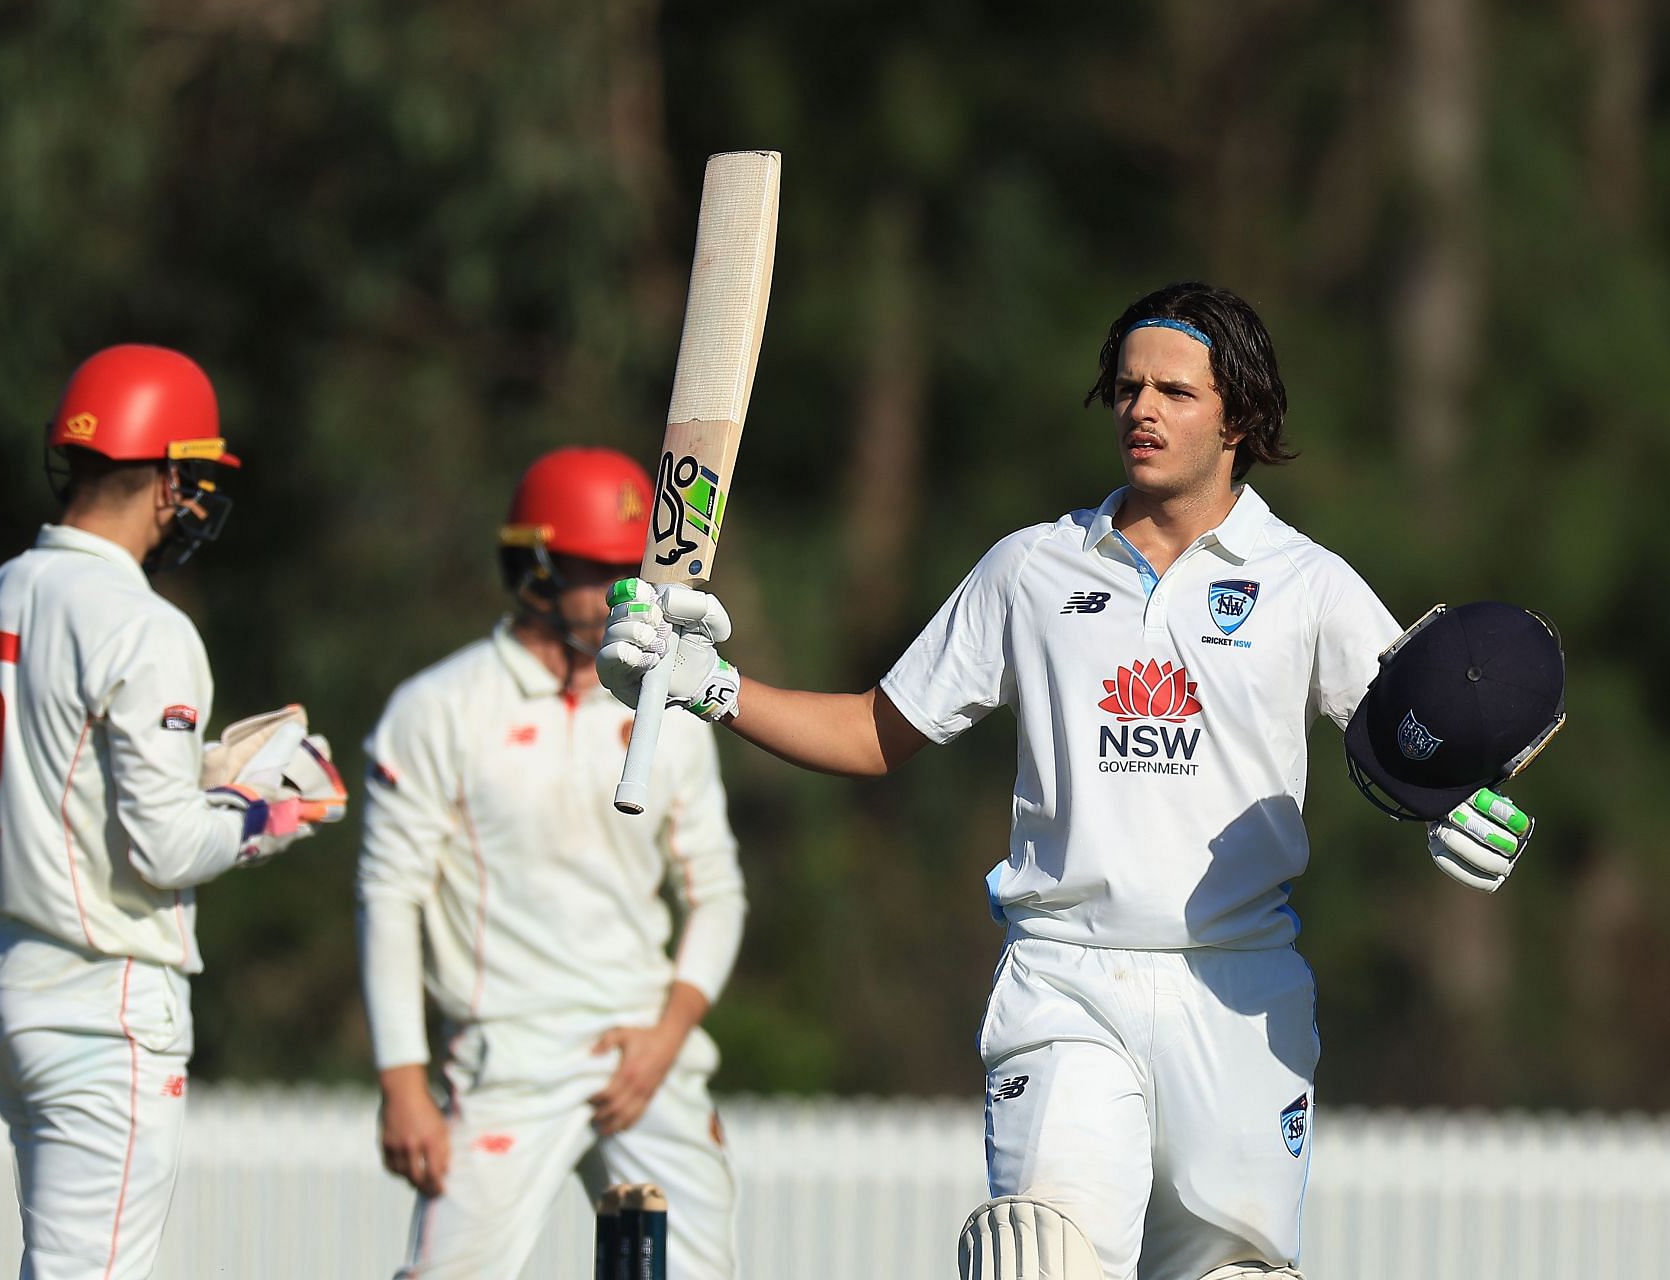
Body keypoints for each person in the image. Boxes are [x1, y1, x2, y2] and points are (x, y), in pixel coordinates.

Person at [597, 283, 1548, 1280]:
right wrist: (712, 686)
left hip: (1237, 984)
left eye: (1175, 391)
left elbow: (1419, 742)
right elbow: (879, 731)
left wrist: (1464, 814)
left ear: (1244, 417)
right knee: (1037, 1260)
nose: (1141, 409)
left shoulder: (1306, 581)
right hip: (1065, 978)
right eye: (1128, 387)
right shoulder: (1032, 569)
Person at [0, 344, 346, 1279]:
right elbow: (163, 847)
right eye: (194, 478)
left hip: (6, 976)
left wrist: (208, 770)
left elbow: (47, 792)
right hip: (103, 994)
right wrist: (272, 809)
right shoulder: (146, 626)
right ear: (169, 476)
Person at [357, 446, 745, 1279]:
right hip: (507, 1055)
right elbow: (389, 901)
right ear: (532, 568)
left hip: (642, 1054)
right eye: (595, 573)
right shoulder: (440, 708)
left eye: (629, 571)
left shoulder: (664, 705)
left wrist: (668, 1035)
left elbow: (718, 893)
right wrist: (402, 1082)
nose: (623, 596)